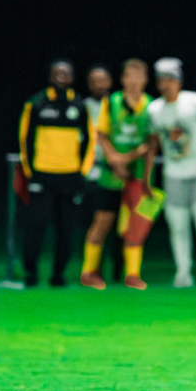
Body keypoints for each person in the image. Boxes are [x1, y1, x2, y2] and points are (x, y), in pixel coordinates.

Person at [16, 59, 94, 287]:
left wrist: (82, 171)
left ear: (72, 78)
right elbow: (24, 140)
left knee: (66, 229)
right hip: (42, 176)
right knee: (36, 227)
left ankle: (58, 275)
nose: (62, 77)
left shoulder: (80, 106)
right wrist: (31, 172)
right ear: (50, 76)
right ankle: (31, 273)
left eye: (66, 73)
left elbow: (90, 140)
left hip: (70, 177)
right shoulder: (36, 104)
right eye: (57, 73)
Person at [147, 57, 196, 289]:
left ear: (179, 81)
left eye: (170, 79)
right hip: (174, 175)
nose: (166, 84)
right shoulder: (155, 109)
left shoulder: (195, 102)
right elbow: (153, 145)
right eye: (162, 80)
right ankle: (183, 273)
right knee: (177, 226)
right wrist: (147, 178)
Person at [81, 58, 157, 290]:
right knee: (103, 221)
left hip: (137, 177)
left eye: (139, 77)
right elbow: (101, 135)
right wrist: (115, 160)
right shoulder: (111, 103)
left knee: (136, 225)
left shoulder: (151, 106)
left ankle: (132, 274)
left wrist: (146, 177)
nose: (133, 81)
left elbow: (151, 145)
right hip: (110, 175)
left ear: (145, 80)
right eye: (129, 76)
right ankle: (89, 272)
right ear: (122, 79)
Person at [81, 64, 120, 277]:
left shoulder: (119, 104)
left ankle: (119, 270)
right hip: (92, 173)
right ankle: (94, 268)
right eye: (95, 81)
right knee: (94, 223)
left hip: (117, 172)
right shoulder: (83, 106)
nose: (100, 85)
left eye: (103, 80)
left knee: (119, 227)